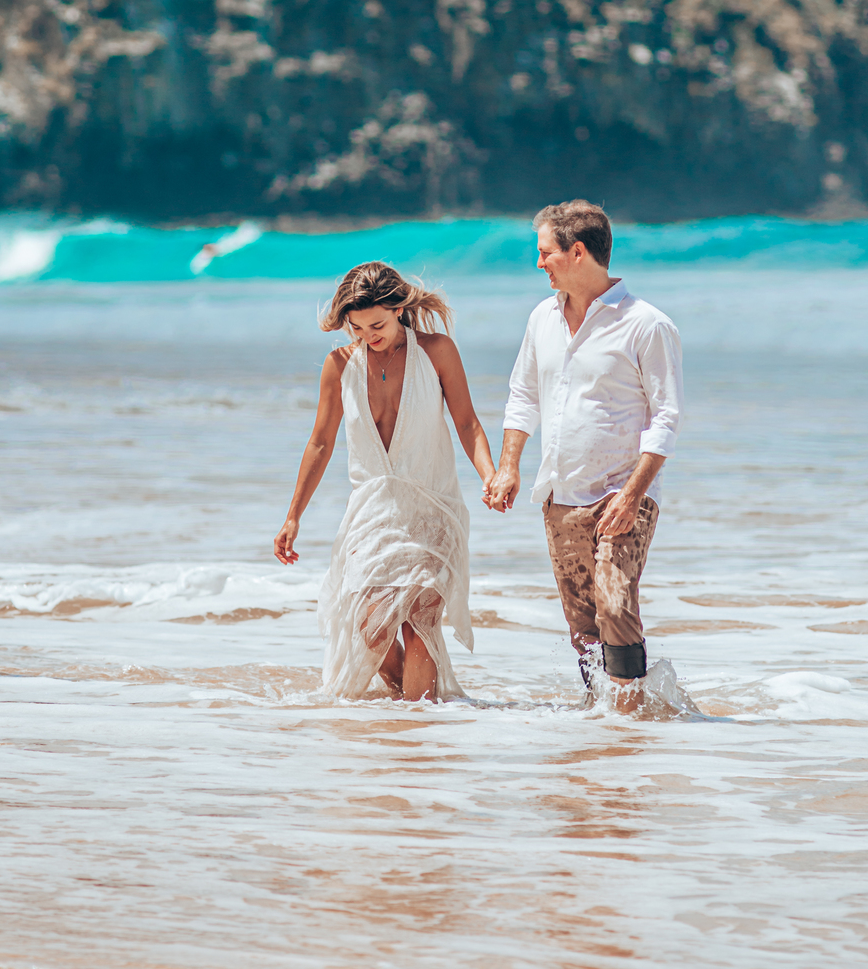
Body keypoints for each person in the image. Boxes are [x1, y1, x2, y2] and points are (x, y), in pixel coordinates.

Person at [486, 200, 684, 714]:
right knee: (583, 627)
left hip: (623, 492)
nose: (539, 264)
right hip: (559, 494)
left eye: (545, 253)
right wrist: (509, 465)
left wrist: (633, 494)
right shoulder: (542, 319)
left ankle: (629, 719)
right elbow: (522, 395)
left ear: (577, 252)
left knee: (616, 605)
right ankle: (603, 720)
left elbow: (666, 418)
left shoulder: (646, 324)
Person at [275, 261, 497, 702]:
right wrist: (293, 515)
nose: (367, 336)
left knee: (420, 619)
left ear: (399, 309)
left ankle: (414, 734)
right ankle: (407, 706)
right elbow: (320, 444)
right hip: (373, 508)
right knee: (371, 624)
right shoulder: (339, 366)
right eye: (356, 327)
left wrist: (491, 476)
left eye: (376, 324)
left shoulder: (437, 351)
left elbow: (467, 423)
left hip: (433, 503)